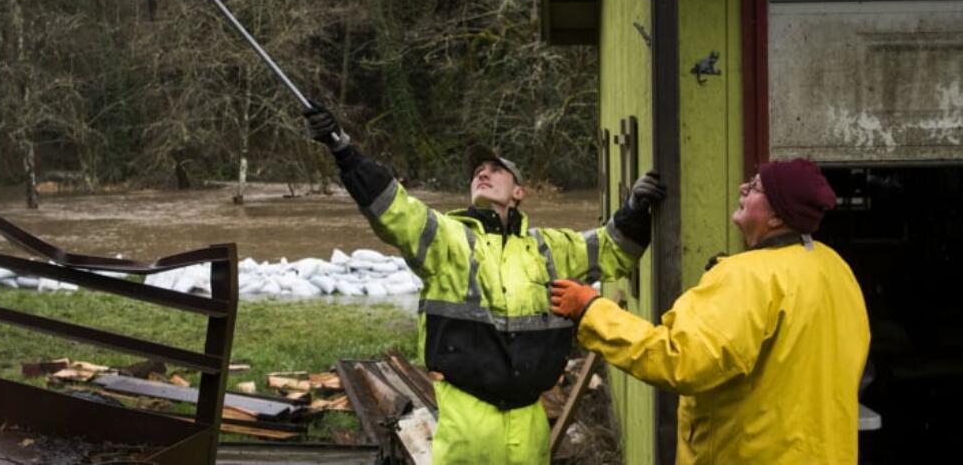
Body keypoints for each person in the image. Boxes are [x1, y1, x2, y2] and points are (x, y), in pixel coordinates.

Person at [303, 104, 665, 465]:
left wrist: (635, 207)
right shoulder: (449, 240)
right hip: (466, 424)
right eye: (478, 171)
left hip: (529, 425)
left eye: (496, 169)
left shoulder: (552, 248)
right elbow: (396, 210)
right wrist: (343, 150)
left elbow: (614, 249)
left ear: (519, 192)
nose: (483, 173)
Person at [550, 158, 870, 465]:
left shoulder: (748, 277)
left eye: (757, 188)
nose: (743, 187)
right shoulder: (834, 267)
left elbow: (679, 359)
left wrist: (590, 310)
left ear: (777, 217)